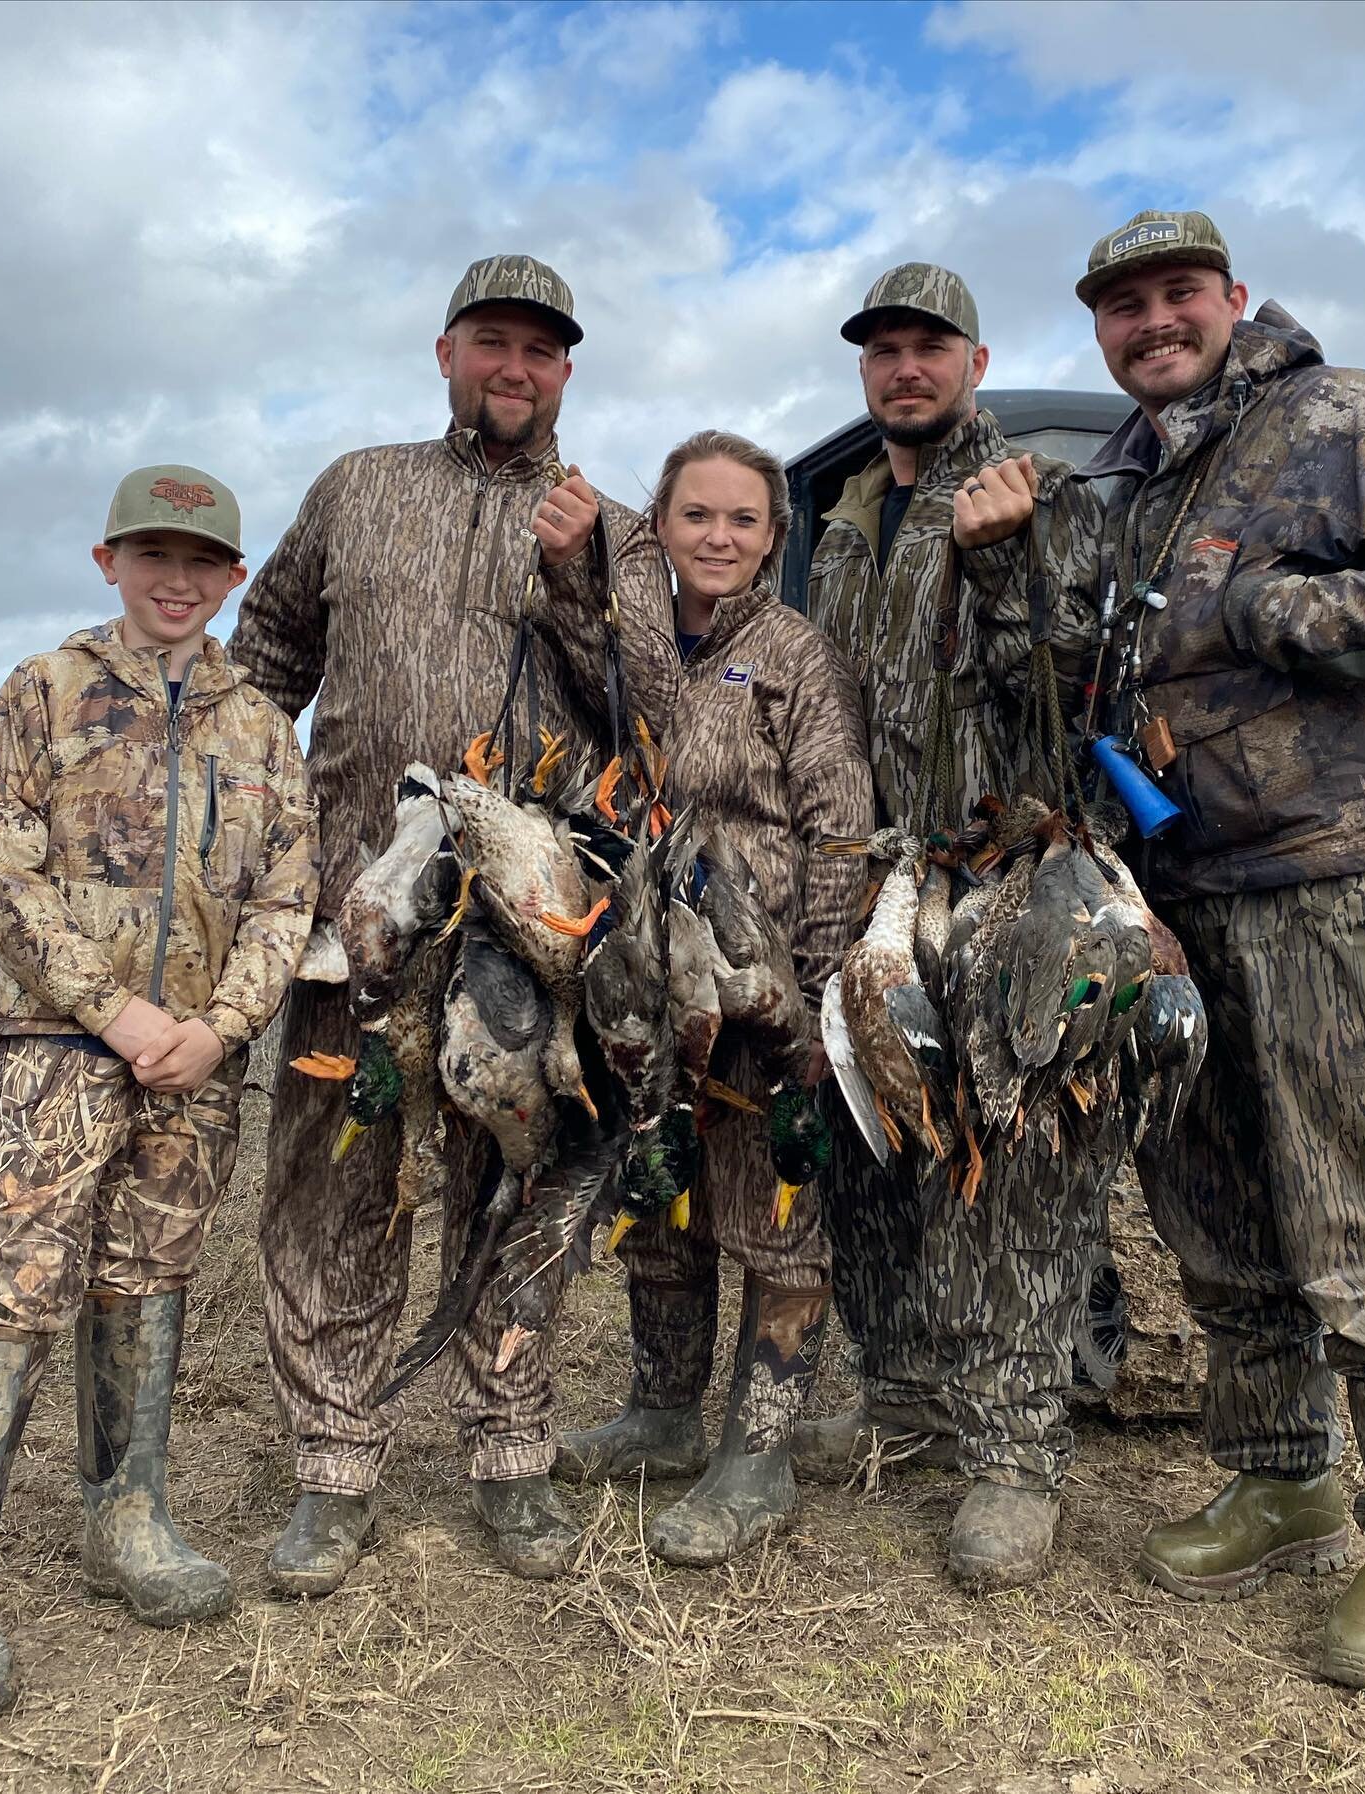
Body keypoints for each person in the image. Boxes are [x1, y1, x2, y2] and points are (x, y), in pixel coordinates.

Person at [230, 255, 678, 1591]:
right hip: (357, 916)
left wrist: (578, 580)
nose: (514, 369)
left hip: (530, 939)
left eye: (540, 352)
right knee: (334, 1188)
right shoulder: (359, 488)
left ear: (566, 374)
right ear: (445, 352)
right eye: (492, 342)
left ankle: (510, 1451)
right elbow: (266, 657)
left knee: (516, 1189)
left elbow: (652, 717)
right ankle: (334, 1462)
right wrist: (264, 836)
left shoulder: (614, 528)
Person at [1061, 209, 1365, 1700]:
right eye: (1124, 305)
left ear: (1233, 296)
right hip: (1174, 896)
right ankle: (1278, 1476)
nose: (1153, 322)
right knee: (1212, 1204)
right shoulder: (1122, 480)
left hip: (1330, 871)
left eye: (1177, 294)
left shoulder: (1339, 416)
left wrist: (1299, 612)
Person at [0, 466, 317, 1710]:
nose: (176, 582)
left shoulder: (261, 728)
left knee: (148, 1273)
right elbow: (4, 873)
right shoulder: (43, 692)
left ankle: (126, 1516)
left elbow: (290, 895)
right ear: (106, 559)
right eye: (152, 556)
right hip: (59, 1044)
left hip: (196, 1065)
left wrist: (221, 1027)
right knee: (18, 1283)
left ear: (234, 579)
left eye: (202, 563)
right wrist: (113, 1011)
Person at [802, 263, 1104, 1590]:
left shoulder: (1038, 490)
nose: (904, 368)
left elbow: (1075, 685)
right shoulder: (847, 517)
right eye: (883, 350)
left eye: (929, 347)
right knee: (870, 1144)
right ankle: (909, 1404)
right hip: (874, 875)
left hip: (1001, 867)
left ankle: (1015, 1455)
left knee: (1013, 1163)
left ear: (975, 362)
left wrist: (1003, 562)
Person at [554, 431, 873, 1564]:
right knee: (661, 1197)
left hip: (760, 981)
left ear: (774, 536)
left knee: (775, 1218)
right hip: (646, 974)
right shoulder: (631, 642)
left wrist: (820, 993)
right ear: (664, 523)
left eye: (744, 521)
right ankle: (662, 1414)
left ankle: (760, 1454)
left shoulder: (795, 655)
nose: (720, 538)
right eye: (697, 517)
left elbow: (841, 829)